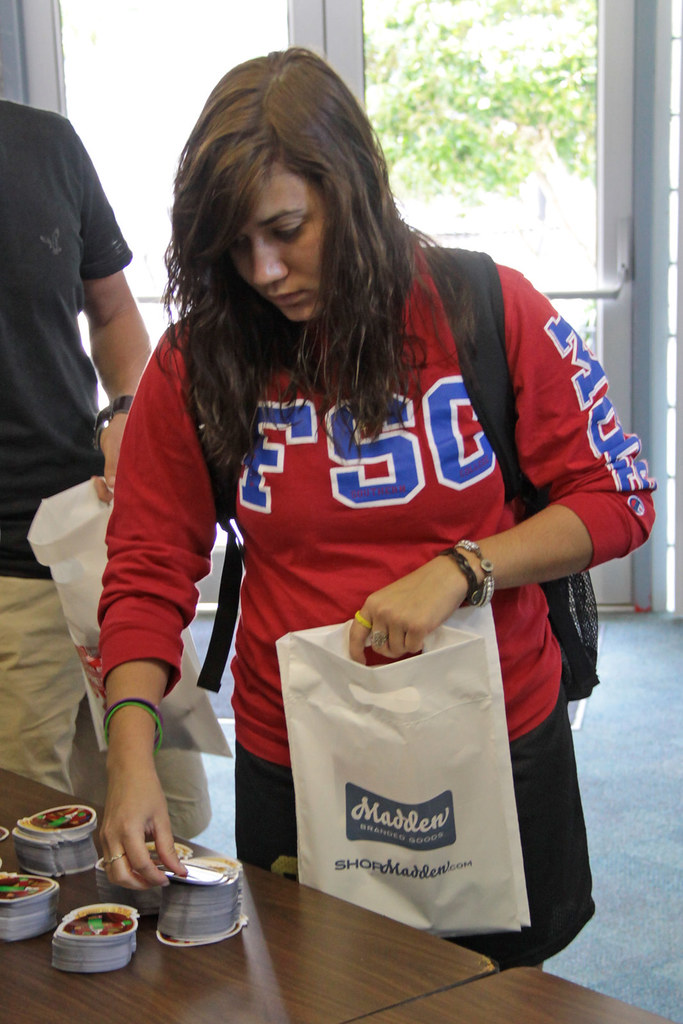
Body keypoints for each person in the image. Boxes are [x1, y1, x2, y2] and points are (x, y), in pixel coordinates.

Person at [97, 48, 656, 968]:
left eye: (287, 228)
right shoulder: (200, 359)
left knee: (497, 989)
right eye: (234, 247)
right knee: (321, 982)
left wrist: (462, 569)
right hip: (299, 748)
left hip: (488, 733)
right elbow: (149, 561)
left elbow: (617, 497)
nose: (265, 271)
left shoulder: (484, 308)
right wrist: (130, 752)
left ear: (352, 190)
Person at [0, 98, 211, 839]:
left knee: (171, 824)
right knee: (34, 844)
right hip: (7, 583)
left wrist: (126, 410)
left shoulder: (46, 143)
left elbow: (115, 311)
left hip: (95, 532)